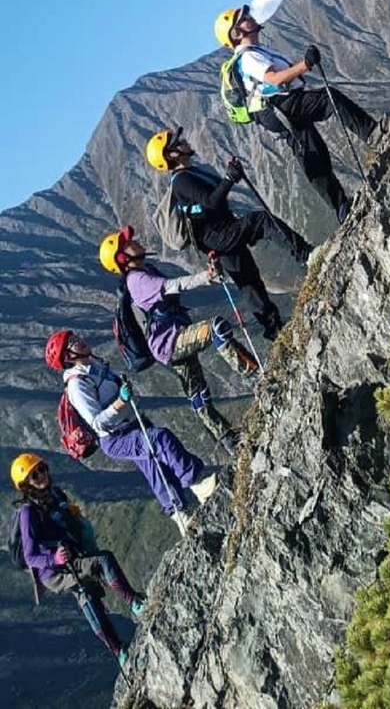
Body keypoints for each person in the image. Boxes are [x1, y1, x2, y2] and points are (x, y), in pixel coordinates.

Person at [214, 7, 378, 224]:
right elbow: (275, 79)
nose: (249, 17)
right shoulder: (249, 57)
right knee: (329, 99)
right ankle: (374, 134)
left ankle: (342, 208)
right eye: (243, 19)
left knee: (311, 151)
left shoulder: (256, 52)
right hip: (281, 105)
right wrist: (306, 64)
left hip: (278, 110)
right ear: (236, 33)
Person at [145, 128, 313, 338]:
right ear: (171, 155)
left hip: (217, 238)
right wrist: (229, 178)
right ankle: (306, 254)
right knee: (262, 221)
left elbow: (212, 199)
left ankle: (274, 330)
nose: (185, 142)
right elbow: (211, 202)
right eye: (179, 142)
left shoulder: (190, 173)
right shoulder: (182, 181)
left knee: (249, 281)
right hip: (219, 236)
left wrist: (229, 177)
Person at [98, 226, 257, 448]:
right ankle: (256, 378)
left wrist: (208, 276)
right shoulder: (137, 280)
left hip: (167, 344)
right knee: (216, 328)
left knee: (196, 392)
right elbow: (174, 286)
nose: (134, 242)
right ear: (123, 258)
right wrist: (207, 277)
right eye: (127, 244)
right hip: (171, 341)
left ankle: (228, 441)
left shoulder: (144, 272)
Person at [44, 329, 215, 531]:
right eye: (72, 343)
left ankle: (180, 516)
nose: (79, 340)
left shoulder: (95, 366)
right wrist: (121, 401)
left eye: (75, 338)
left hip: (131, 422)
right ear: (67, 357)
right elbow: (97, 423)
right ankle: (197, 484)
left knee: (153, 465)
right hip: (115, 437)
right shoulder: (77, 386)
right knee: (161, 439)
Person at [10, 450, 145, 668]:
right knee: (103, 562)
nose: (41, 475)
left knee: (88, 596)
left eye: (42, 469)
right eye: (34, 475)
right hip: (53, 571)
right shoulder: (28, 513)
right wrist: (54, 558)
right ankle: (135, 603)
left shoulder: (54, 495)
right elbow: (30, 556)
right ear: (25, 485)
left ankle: (120, 651)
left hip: (71, 556)